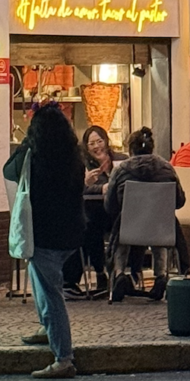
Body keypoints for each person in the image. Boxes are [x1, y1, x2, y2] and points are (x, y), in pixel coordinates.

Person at [4, 104, 86, 379]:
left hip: (44, 234)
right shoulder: (75, 157)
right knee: (44, 283)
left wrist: (26, 142)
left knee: (51, 295)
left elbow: (8, 170)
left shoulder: (33, 156)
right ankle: (45, 328)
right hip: (71, 232)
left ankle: (64, 358)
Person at [104, 126, 185, 302]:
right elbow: (180, 201)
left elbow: (110, 205)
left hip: (129, 229)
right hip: (160, 230)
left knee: (122, 223)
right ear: (152, 147)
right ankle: (161, 275)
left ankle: (119, 274)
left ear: (131, 149)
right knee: (160, 219)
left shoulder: (121, 170)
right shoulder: (167, 168)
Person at [62, 125, 127, 296]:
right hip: (95, 212)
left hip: (119, 214)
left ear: (106, 141)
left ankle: (110, 275)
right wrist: (90, 184)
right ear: (86, 146)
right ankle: (99, 274)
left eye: (99, 141)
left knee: (90, 225)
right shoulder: (82, 164)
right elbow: (76, 189)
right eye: (92, 144)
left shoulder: (120, 161)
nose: (97, 146)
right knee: (89, 226)